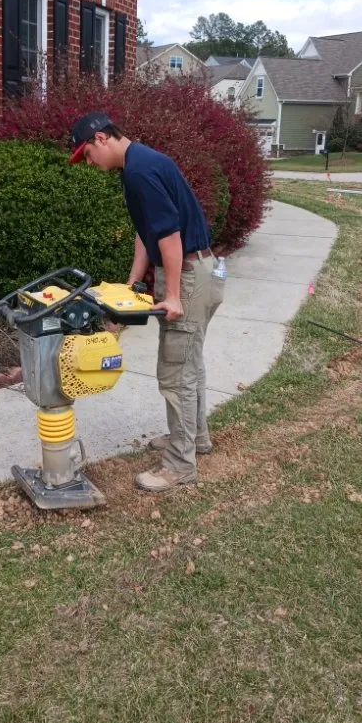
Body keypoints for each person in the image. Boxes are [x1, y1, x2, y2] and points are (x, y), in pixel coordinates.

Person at [69, 112, 224, 493]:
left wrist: (172, 294)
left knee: (176, 373)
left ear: (102, 139)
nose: (90, 163)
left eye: (87, 154)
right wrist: (133, 282)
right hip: (200, 271)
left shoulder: (139, 171)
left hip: (188, 275)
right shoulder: (138, 165)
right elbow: (147, 232)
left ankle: (180, 464)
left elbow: (170, 236)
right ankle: (195, 438)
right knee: (190, 363)